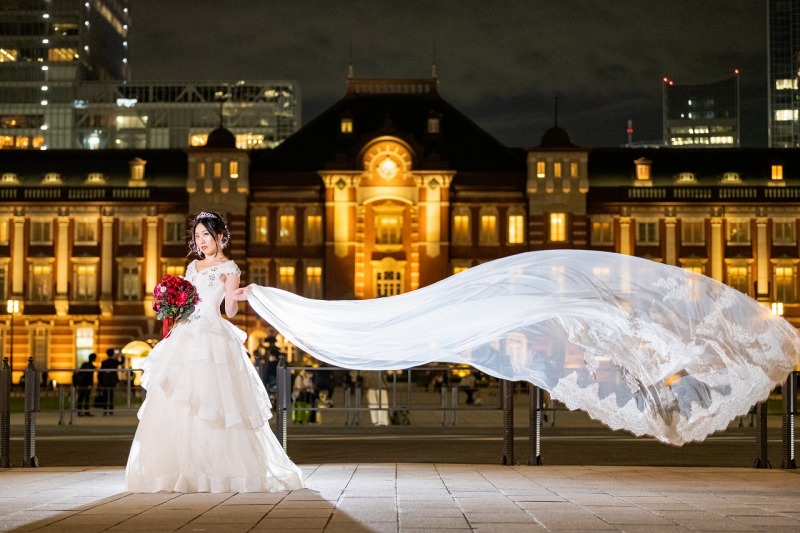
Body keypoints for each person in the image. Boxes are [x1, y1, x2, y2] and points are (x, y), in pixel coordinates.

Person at [235, 249, 800, 446]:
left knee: (617, 331)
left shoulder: (540, 296)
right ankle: (669, 395)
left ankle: (677, 389)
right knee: (618, 335)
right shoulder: (538, 300)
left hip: (575, 311)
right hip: (577, 314)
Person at [125, 211, 304, 493]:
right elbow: (188, 302)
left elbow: (229, 311)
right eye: (197, 236)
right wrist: (171, 305)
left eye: (206, 235)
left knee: (214, 402)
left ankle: (217, 472)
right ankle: (182, 472)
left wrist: (236, 295)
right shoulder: (192, 267)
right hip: (184, 333)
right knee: (179, 401)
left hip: (211, 334)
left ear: (219, 236)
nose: (201, 241)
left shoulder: (229, 268)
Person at [98, 348, 121, 415]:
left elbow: (101, 373)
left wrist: (100, 382)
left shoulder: (104, 362)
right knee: (111, 395)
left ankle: (105, 410)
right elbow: (121, 362)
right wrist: (119, 356)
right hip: (112, 381)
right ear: (113, 354)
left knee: (105, 395)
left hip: (105, 381)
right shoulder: (114, 362)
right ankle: (111, 410)